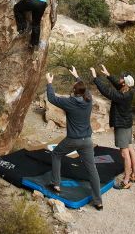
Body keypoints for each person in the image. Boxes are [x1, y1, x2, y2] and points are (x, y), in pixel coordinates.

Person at [46, 66, 103, 210]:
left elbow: (52, 98)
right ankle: (98, 201)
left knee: (56, 154)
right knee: (92, 170)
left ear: (74, 91)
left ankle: (56, 184)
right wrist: (77, 76)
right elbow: (85, 88)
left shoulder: (69, 102)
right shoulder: (88, 99)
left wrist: (49, 83)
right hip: (87, 141)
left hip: (73, 140)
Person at [91, 64, 135, 189]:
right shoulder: (129, 90)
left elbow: (107, 91)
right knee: (130, 148)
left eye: (121, 78)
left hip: (122, 126)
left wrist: (96, 78)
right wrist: (108, 75)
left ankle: (126, 180)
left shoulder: (122, 96)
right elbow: (118, 85)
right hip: (127, 124)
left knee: (124, 153)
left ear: (124, 82)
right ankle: (134, 174)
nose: (120, 79)